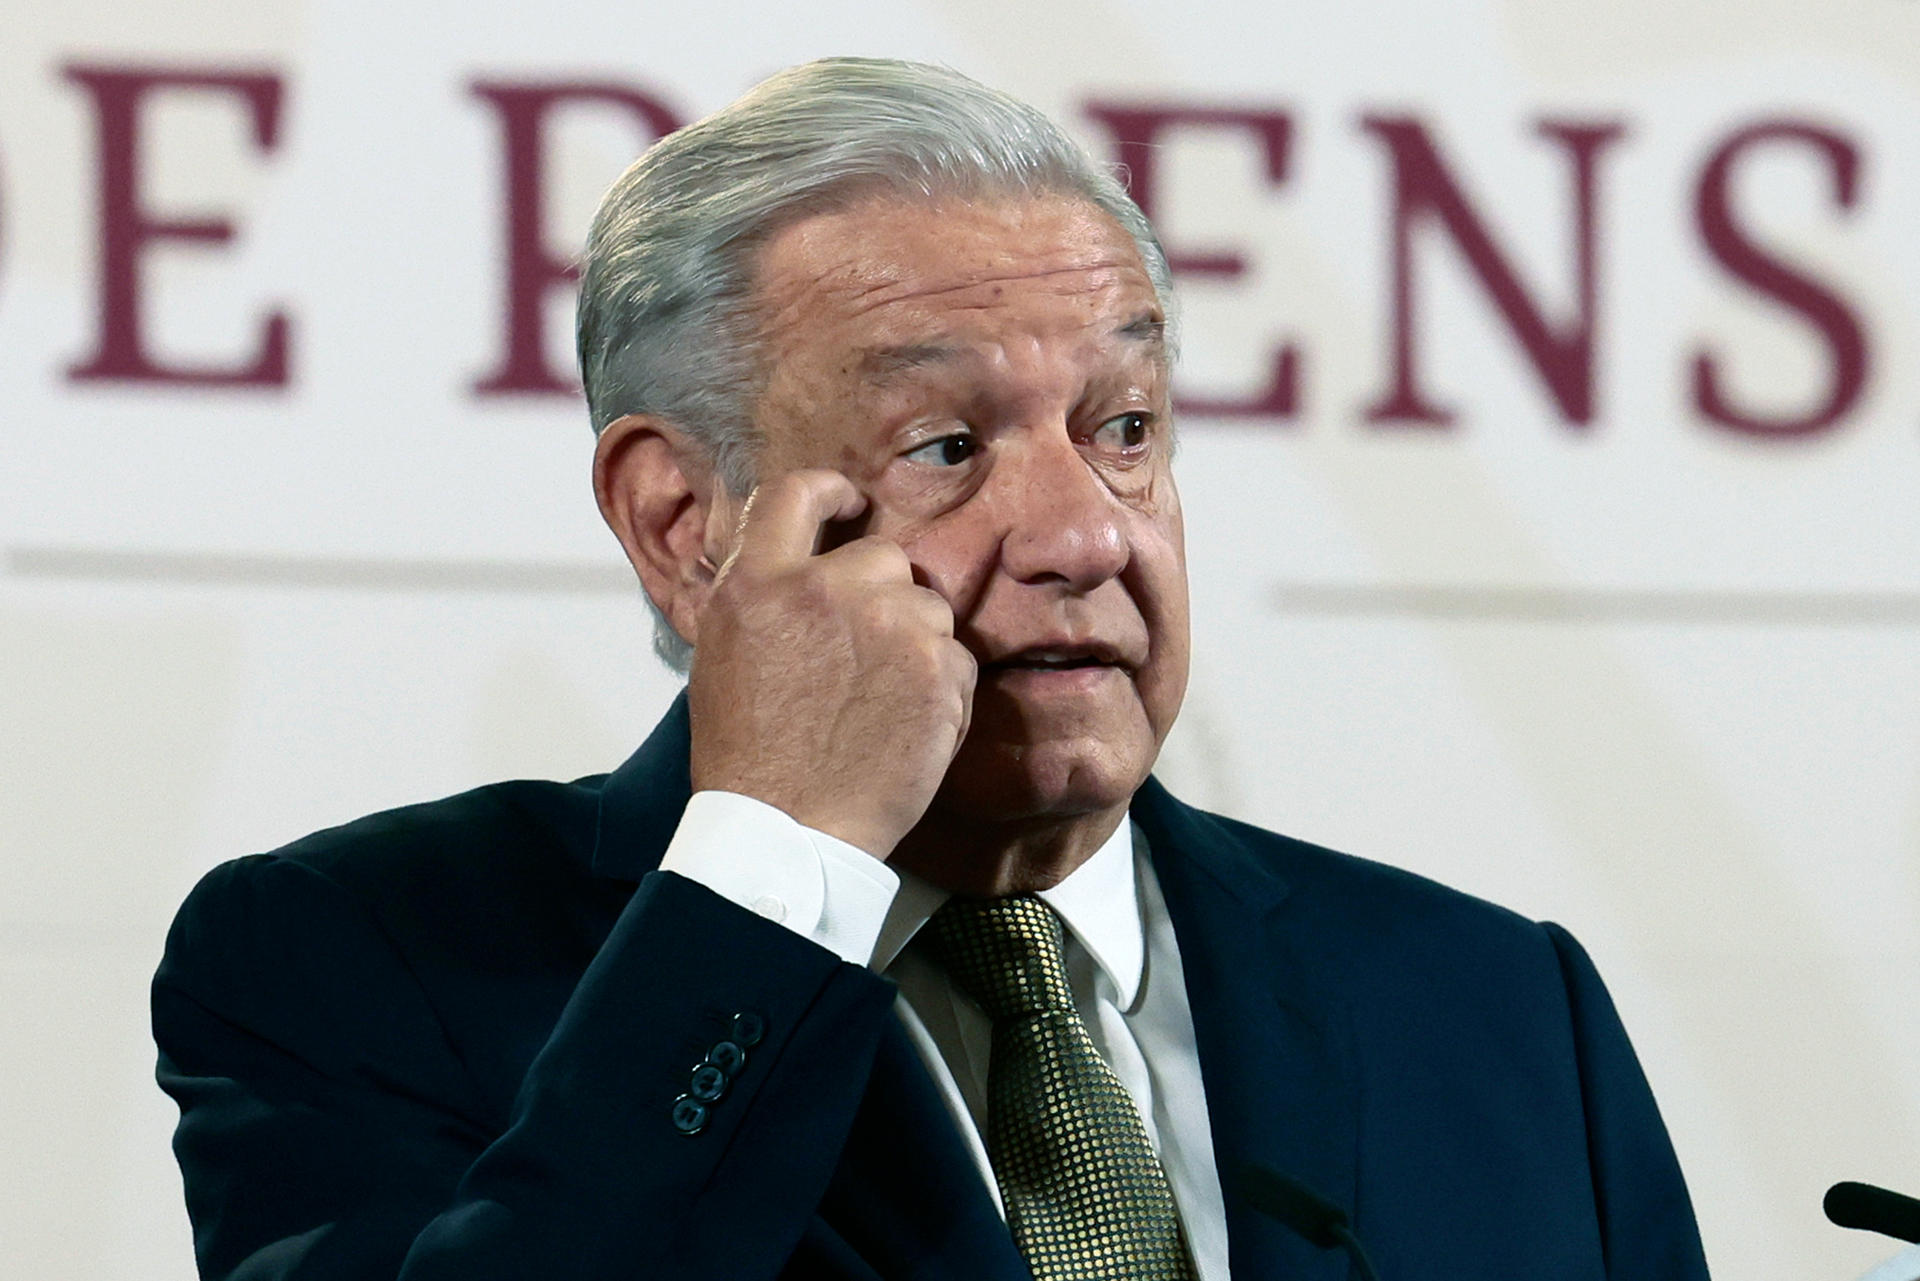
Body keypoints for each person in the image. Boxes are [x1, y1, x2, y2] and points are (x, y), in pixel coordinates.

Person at [153, 58, 1711, 1281]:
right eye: (947, 447)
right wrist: (781, 863)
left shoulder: (1494, 1007)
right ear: (687, 524)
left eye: (1123, 429)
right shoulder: (358, 964)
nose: (1082, 537)